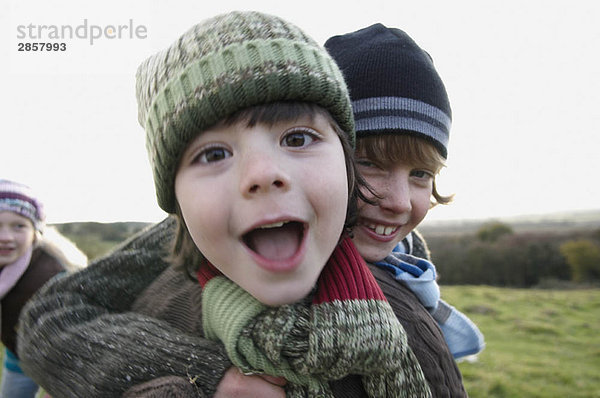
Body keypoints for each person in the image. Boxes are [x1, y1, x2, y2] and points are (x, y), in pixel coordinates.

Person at [18, 12, 431, 397]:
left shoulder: (408, 303)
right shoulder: (184, 241)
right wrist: (208, 374)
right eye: (213, 155)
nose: (263, 174)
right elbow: (49, 317)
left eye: (297, 139)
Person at [325, 23, 485, 361]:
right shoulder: (269, 272)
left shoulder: (412, 263)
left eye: (420, 173)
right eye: (369, 162)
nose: (399, 202)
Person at [0, 179, 86, 398]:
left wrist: (57, 385)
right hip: (17, 353)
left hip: (56, 360)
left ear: (35, 230)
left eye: (19, 226)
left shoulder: (52, 276)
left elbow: (74, 332)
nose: (6, 237)